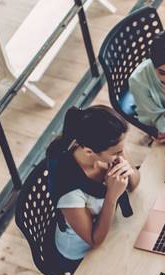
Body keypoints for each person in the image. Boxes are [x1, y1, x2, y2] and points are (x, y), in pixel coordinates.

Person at [47, 105, 140, 264]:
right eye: (117, 152)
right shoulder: (70, 191)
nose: (122, 155)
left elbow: (134, 184)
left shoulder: (104, 150)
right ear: (89, 151)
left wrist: (126, 166)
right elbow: (94, 240)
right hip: (81, 252)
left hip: (110, 226)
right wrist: (112, 196)